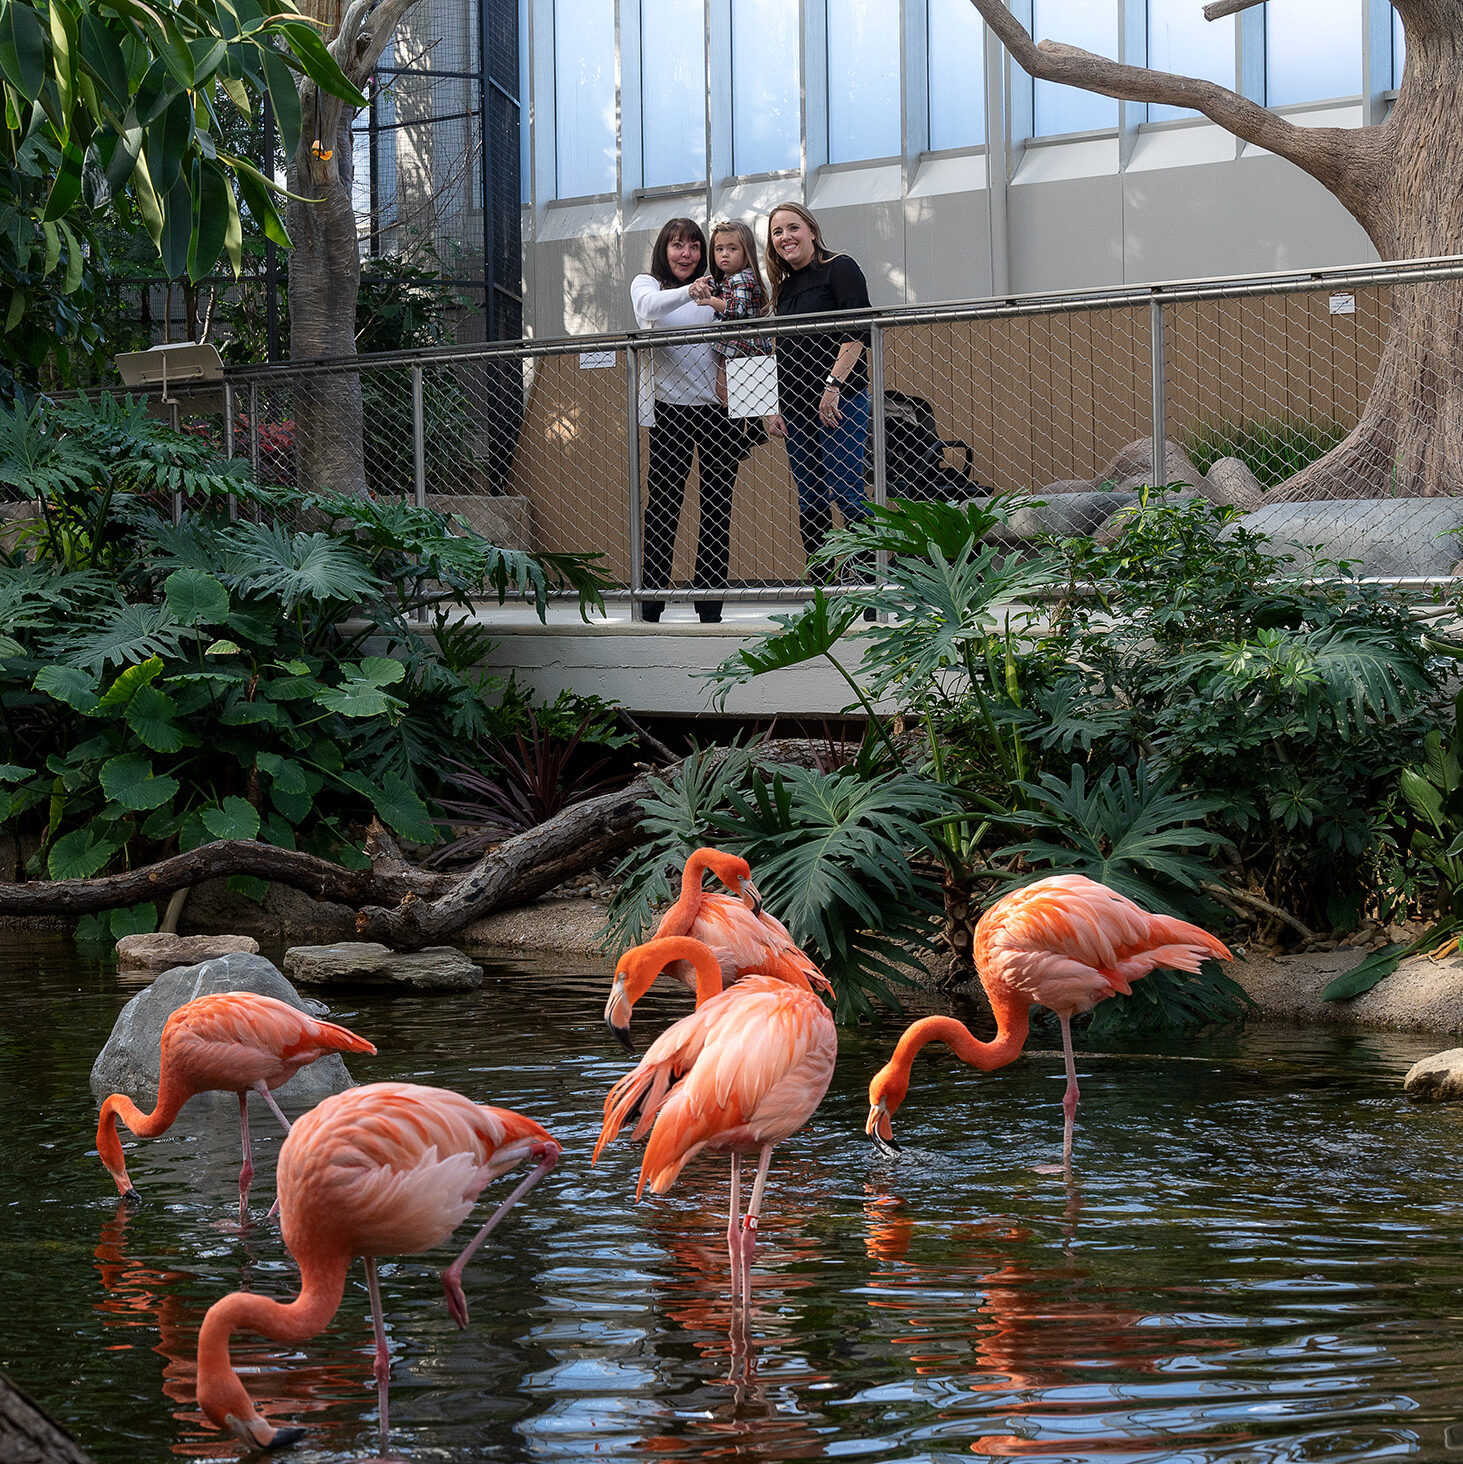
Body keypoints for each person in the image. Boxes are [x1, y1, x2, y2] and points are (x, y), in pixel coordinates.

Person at [629, 217, 743, 624]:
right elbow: (647, 309)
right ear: (665, 249)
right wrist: (688, 292)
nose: (687, 254)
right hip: (669, 412)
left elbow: (744, 330)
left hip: (718, 413)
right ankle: (651, 603)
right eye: (678, 246)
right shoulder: (649, 284)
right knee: (662, 507)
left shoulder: (720, 289)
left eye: (695, 247)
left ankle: (709, 606)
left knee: (716, 508)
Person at [763, 202, 872, 571]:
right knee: (810, 497)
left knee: (846, 491)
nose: (785, 238)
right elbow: (778, 350)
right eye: (777, 232)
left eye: (792, 228)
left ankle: (866, 583)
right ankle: (822, 583)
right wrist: (770, 406)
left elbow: (857, 332)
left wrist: (833, 386)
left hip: (841, 402)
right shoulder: (784, 286)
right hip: (794, 408)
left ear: (811, 229)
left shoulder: (840, 268)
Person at [704, 220, 774, 447]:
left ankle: (737, 438)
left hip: (742, 344)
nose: (725, 255)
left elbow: (736, 309)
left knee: (728, 390)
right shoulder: (728, 279)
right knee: (742, 390)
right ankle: (753, 431)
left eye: (732, 249)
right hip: (736, 343)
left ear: (746, 253)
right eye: (719, 249)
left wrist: (710, 301)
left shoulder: (743, 278)